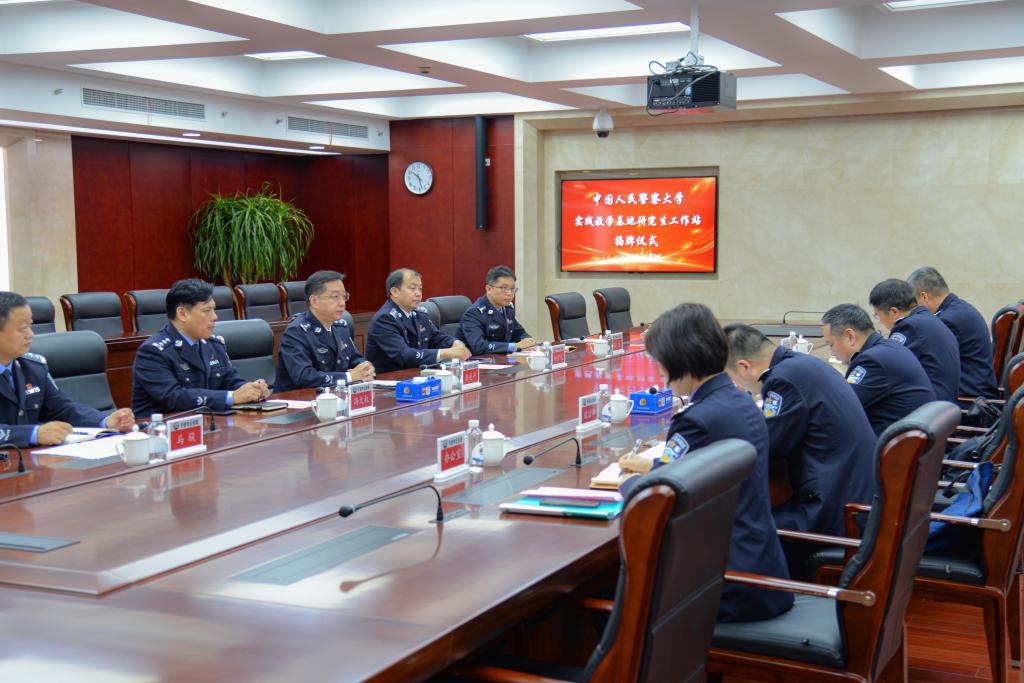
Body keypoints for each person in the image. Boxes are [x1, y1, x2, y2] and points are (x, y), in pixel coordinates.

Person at [618, 303, 792, 622]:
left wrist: (626, 483)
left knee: (600, 592)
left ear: (679, 360)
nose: (660, 374)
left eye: (660, 363)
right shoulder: (740, 401)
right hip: (759, 569)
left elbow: (654, 498)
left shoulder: (697, 420)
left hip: (722, 584)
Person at [724, 324, 875, 539]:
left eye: (732, 378)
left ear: (744, 367)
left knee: (736, 529)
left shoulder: (782, 380)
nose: (738, 386)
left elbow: (768, 448)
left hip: (836, 511)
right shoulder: (802, 364)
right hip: (855, 495)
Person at [0, 291, 134, 447]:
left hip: (27, 458)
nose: (30, 334)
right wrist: (33, 434)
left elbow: (62, 409)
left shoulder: (33, 367)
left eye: (30, 326)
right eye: (22, 328)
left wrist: (104, 421)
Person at [132, 279, 270, 416]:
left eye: (214, 310)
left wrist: (252, 389)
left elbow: (230, 380)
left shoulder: (214, 344)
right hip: (164, 426)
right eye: (207, 310)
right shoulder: (153, 352)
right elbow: (174, 397)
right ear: (182, 314)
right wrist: (231, 397)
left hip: (208, 422)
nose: (215, 317)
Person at [821, 304, 935, 435]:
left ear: (850, 336)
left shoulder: (872, 361)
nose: (832, 353)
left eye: (831, 344)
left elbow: (838, 409)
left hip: (894, 443)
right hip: (911, 437)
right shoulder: (889, 347)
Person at [275, 270, 375, 392]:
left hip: (335, 396)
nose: (342, 303)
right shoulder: (296, 332)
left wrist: (366, 368)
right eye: (335, 297)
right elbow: (304, 377)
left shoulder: (341, 327)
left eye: (344, 296)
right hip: (299, 399)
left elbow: (355, 359)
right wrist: (349, 377)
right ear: (314, 301)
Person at [908, 266, 999, 400]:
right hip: (974, 394)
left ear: (924, 296)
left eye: (913, 304)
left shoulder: (947, 320)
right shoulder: (958, 309)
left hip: (969, 400)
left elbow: (920, 361)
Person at [869, 278, 960, 404]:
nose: (881, 322)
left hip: (928, 407)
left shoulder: (909, 327)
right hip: (942, 405)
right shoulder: (928, 319)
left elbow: (888, 366)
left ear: (894, 312)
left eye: (878, 316)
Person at [364, 268, 471, 374]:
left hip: (418, 375)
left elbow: (437, 338)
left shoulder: (419, 314)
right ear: (395, 292)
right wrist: (445, 353)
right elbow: (404, 355)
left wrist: (455, 343)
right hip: (391, 380)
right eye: (413, 288)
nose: (418, 293)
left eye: (420, 288)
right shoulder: (385, 319)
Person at [458, 265, 535, 355]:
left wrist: (527, 341)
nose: (509, 293)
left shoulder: (507, 308)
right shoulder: (474, 313)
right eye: (504, 288)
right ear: (489, 289)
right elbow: (479, 346)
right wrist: (514, 346)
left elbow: (518, 332)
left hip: (501, 359)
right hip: (476, 361)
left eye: (512, 288)